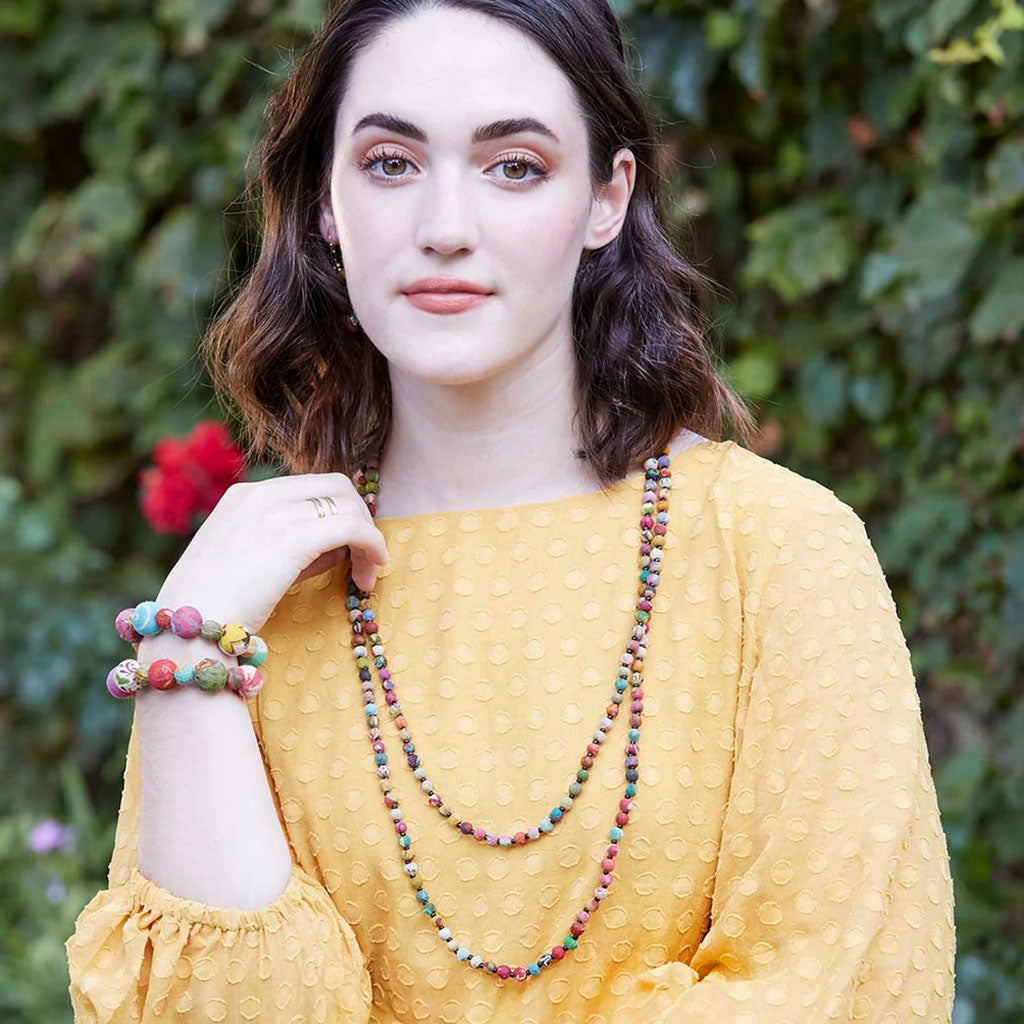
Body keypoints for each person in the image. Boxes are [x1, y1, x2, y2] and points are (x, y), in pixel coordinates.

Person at [65, 0, 956, 1021]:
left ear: (604, 199)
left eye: (514, 165)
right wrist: (189, 671)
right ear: (324, 201)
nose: (445, 228)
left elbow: (844, 994)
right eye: (391, 163)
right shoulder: (245, 600)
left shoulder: (777, 551)